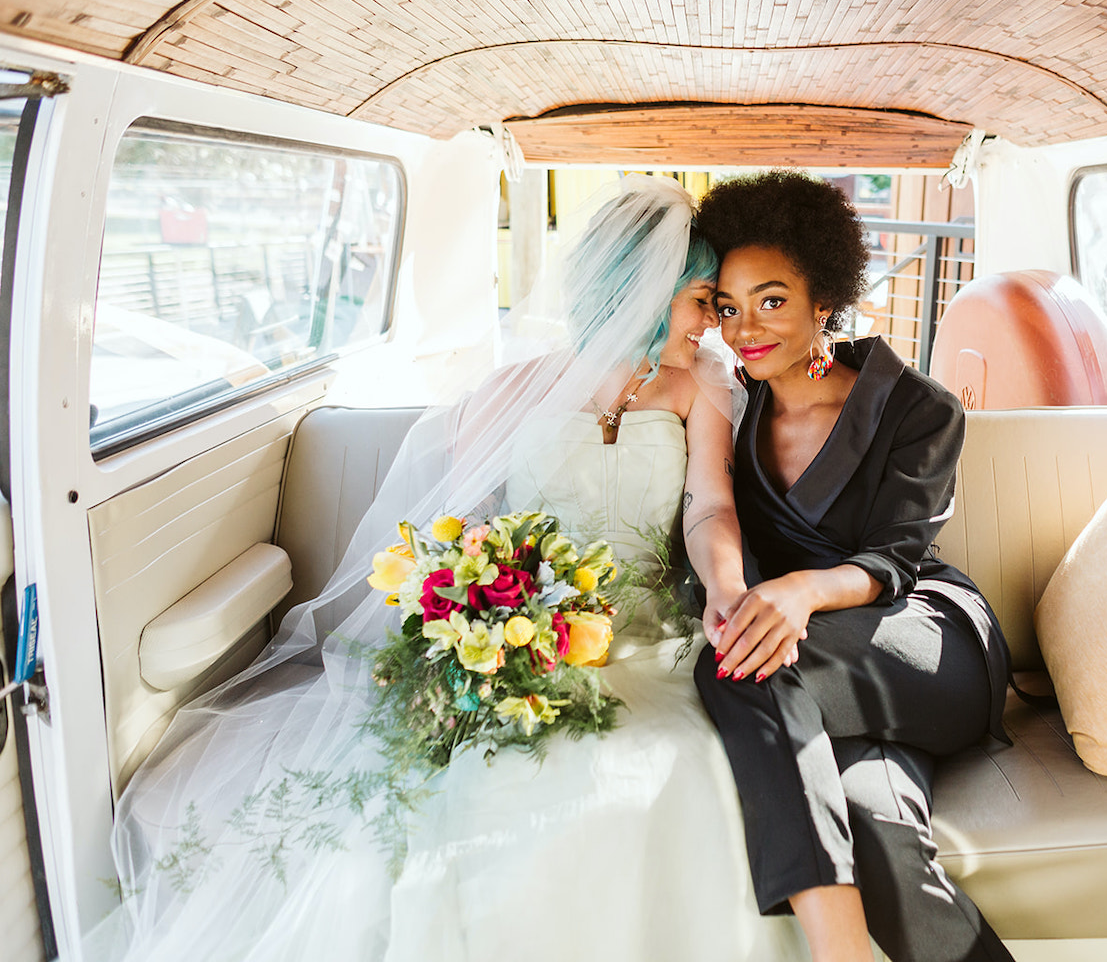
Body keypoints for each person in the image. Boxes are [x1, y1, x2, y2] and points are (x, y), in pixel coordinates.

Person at [88, 176, 806, 961]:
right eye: (702, 298)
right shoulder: (506, 392)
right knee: (493, 784)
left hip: (649, 641)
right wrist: (497, 618)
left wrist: (728, 587)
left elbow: (709, 508)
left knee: (687, 769)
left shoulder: (698, 390)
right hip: (527, 646)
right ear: (641, 291)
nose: (712, 323)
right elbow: (460, 534)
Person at [693, 171, 1016, 962]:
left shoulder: (921, 409)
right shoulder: (732, 404)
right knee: (879, 828)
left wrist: (801, 591)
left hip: (924, 640)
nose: (746, 329)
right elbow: (713, 515)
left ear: (823, 300)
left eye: (771, 300)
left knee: (740, 664)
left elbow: (896, 557)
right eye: (727, 308)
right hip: (819, 657)